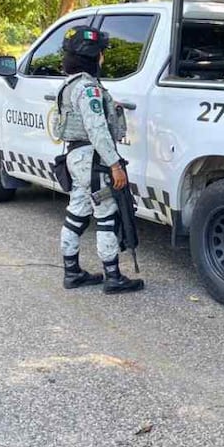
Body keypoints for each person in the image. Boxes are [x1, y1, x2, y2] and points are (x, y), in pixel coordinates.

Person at [55, 25, 143, 294]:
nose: (104, 57)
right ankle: (113, 277)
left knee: (76, 212)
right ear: (93, 55)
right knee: (107, 214)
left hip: (75, 157)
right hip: (93, 160)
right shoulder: (88, 88)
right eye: (102, 52)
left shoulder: (71, 85)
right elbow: (97, 129)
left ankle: (72, 272)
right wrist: (115, 164)